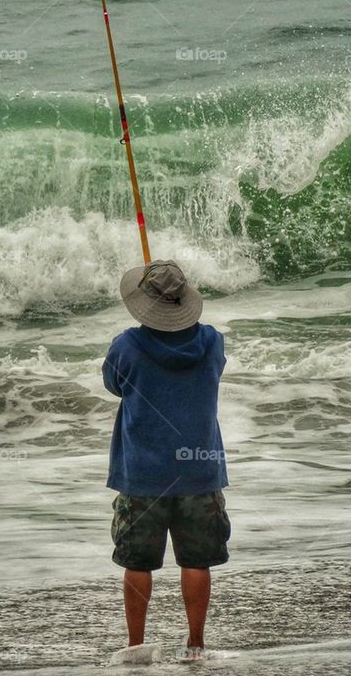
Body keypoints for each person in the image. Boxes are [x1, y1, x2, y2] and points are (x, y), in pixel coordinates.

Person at [102, 259, 231, 662]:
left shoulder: (127, 345)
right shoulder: (213, 341)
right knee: (196, 561)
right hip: (199, 469)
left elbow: (113, 384)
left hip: (143, 473)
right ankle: (196, 644)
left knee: (138, 562)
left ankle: (137, 645)